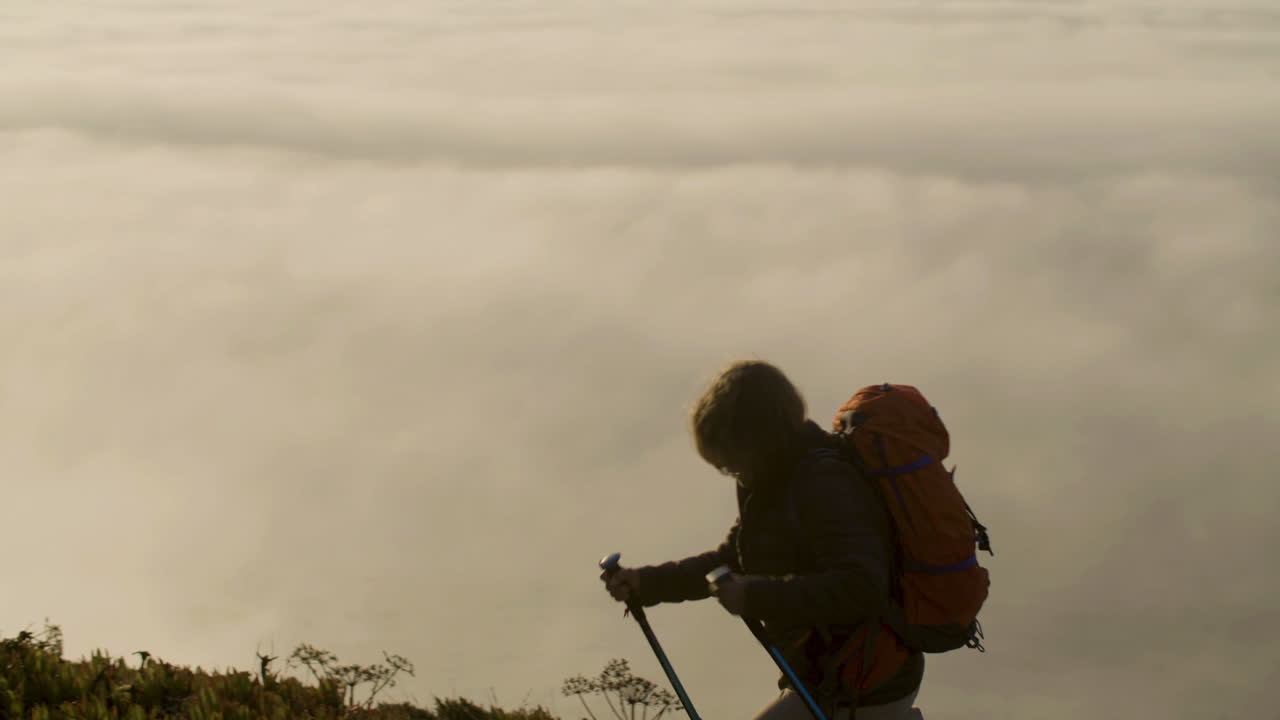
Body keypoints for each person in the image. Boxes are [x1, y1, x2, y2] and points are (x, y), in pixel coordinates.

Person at [601, 360, 924, 720]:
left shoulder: (825, 483)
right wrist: (647, 583)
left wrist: (754, 595)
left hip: (869, 677)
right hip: (824, 675)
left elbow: (862, 586)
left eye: (732, 463)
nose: (731, 473)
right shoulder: (769, 481)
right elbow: (733, 560)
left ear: (759, 439)